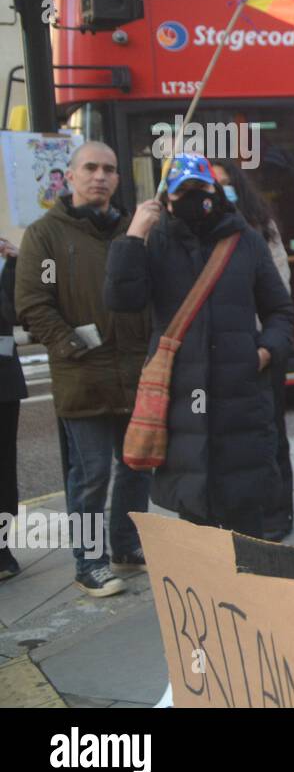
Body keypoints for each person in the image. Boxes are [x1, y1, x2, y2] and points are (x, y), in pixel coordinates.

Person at [105, 153, 294, 539]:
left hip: (240, 402)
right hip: (180, 407)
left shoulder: (247, 242)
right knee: (198, 535)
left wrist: (264, 352)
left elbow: (280, 310)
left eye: (201, 188)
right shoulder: (154, 242)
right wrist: (133, 236)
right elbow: (121, 301)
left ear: (217, 191)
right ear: (167, 198)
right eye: (183, 191)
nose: (194, 198)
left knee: (247, 532)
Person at [15, 142, 150, 598]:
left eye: (109, 169)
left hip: (132, 374)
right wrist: (70, 343)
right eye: (90, 168)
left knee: (136, 466)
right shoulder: (46, 236)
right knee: (91, 475)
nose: (100, 176)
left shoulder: (132, 229)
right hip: (83, 376)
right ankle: (88, 562)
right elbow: (33, 301)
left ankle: (127, 547)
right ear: (69, 177)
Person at [209, 159, 294, 541]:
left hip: (259, 348)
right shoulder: (197, 230)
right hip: (218, 351)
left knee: (271, 433)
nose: (219, 192)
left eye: (225, 184)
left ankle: (278, 515)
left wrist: (263, 349)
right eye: (210, 185)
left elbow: (280, 289)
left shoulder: (260, 227)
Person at [0, 237, 26, 581]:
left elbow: (19, 312)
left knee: (4, 468)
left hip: (3, 381)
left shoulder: (9, 264)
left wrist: (19, 264)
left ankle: (1, 548)